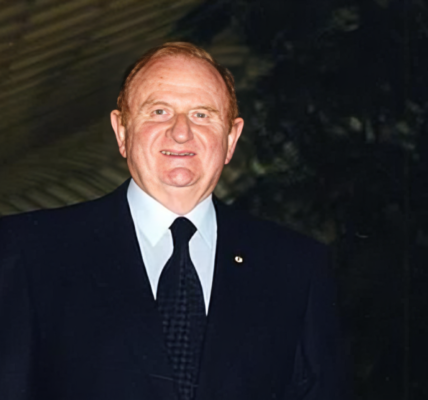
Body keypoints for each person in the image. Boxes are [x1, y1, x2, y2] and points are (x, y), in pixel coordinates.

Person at [0, 42, 347, 400]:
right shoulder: (29, 252)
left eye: (202, 114)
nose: (181, 132)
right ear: (122, 131)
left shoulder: (295, 266)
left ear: (230, 138)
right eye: (159, 111)